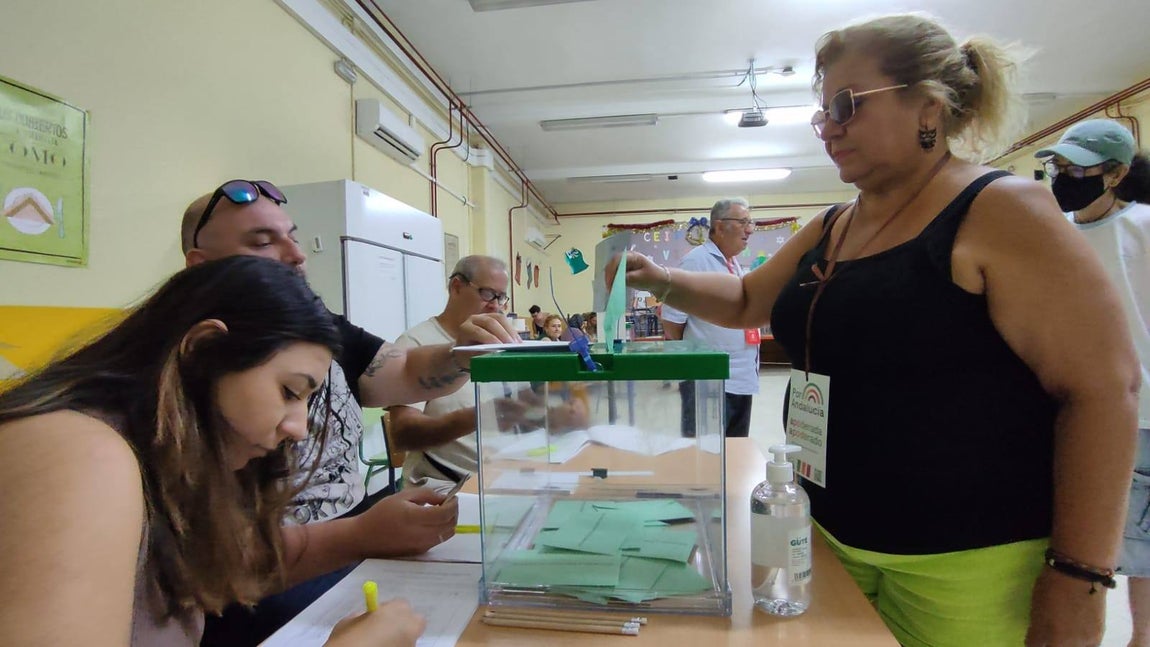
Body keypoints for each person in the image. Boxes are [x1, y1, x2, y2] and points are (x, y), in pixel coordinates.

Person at [607, 14, 1137, 647]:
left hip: (965, 559)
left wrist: (1079, 577)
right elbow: (748, 297)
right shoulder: (834, 223)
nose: (827, 127)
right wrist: (656, 277)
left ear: (930, 108)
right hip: (829, 535)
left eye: (845, 104)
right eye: (822, 110)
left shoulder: (1000, 209)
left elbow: (1104, 391)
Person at [0, 256, 424, 646]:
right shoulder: (81, 455)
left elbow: (229, 565)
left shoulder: (168, 460)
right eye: (289, 391)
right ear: (203, 349)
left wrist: (362, 533)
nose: (298, 428)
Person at [179, 180, 518, 645]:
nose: (296, 255)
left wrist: (462, 354)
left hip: (355, 541)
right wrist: (360, 534)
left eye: (293, 237)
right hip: (267, 586)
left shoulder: (320, 325)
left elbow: (399, 370)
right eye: (262, 242)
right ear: (199, 267)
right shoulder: (180, 368)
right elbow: (204, 560)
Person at [1035, 118, 1150, 646]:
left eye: (1076, 167)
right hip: (1060, 407)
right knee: (1071, 536)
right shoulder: (1053, 233)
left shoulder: (1143, 228)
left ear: (1116, 173)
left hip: (1139, 414)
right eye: (1057, 166)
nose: (1063, 176)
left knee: (1140, 545)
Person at [390, 255, 511, 491]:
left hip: (499, 477)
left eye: (501, 297)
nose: (495, 305)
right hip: (445, 485)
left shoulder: (495, 344)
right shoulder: (415, 342)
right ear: (456, 286)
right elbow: (404, 433)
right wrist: (482, 415)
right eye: (487, 294)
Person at [660, 198, 760, 438]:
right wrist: (695, 360)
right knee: (706, 456)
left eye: (751, 222)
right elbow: (672, 321)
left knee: (735, 450)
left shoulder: (734, 264)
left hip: (740, 377)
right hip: (708, 381)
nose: (749, 229)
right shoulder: (696, 261)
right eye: (743, 222)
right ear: (719, 226)